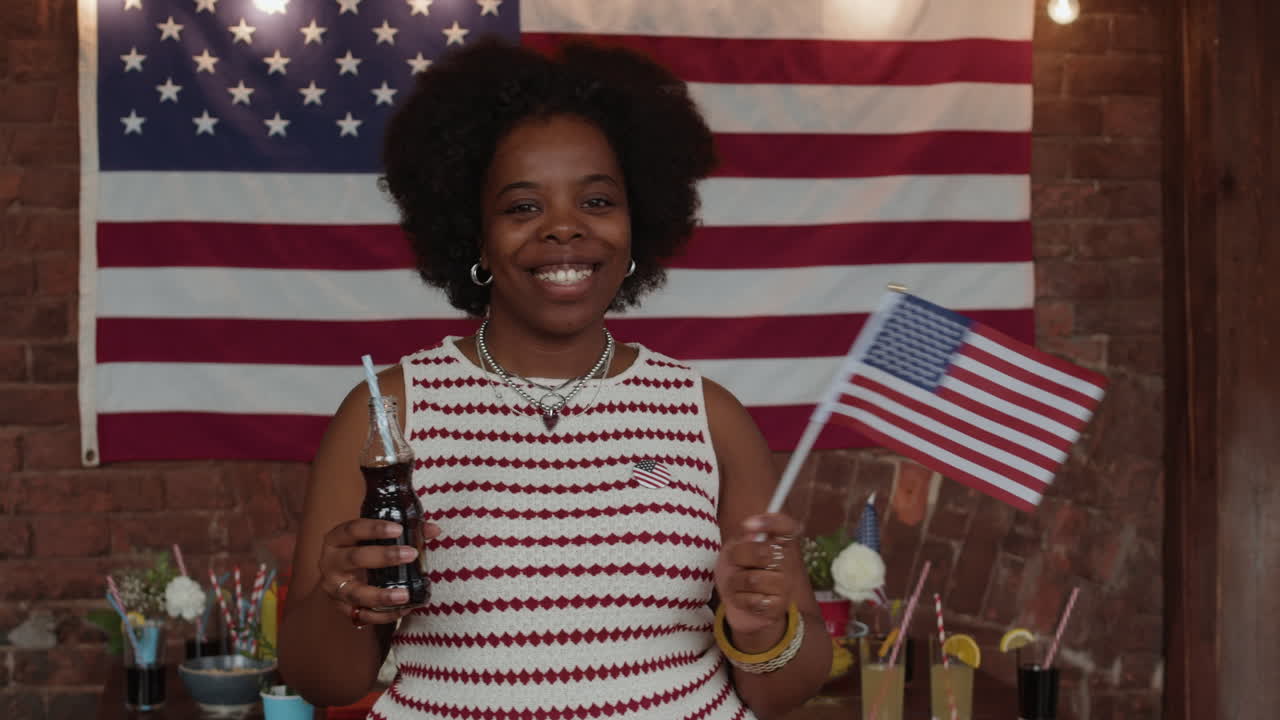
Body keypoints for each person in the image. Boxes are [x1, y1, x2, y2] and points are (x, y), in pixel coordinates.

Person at [279, 38, 830, 719]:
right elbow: (321, 682)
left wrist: (761, 629)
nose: (565, 229)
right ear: (473, 234)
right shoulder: (390, 411)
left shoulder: (707, 415)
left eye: (598, 202)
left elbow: (790, 687)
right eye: (522, 207)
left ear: (638, 223)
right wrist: (345, 597)